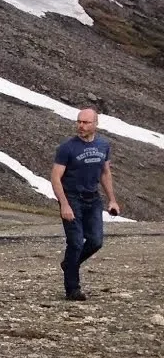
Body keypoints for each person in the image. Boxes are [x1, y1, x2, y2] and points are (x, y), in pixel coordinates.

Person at [51, 106, 119, 302]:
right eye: (79, 121)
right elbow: (56, 178)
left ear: (95, 124)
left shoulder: (103, 145)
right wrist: (64, 204)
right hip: (72, 198)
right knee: (75, 242)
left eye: (85, 122)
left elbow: (105, 173)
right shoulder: (67, 148)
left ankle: (69, 265)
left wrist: (112, 200)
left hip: (93, 198)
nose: (81, 126)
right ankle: (73, 289)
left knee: (96, 241)